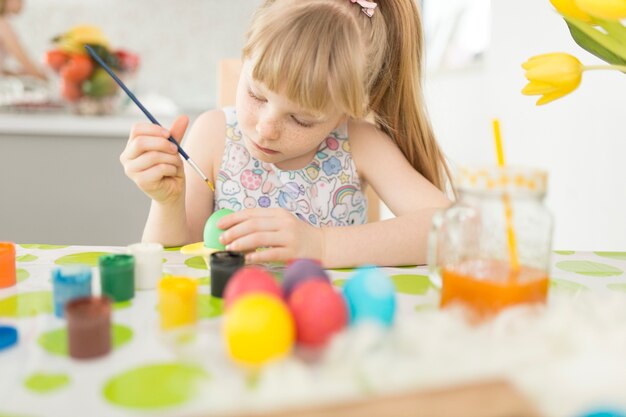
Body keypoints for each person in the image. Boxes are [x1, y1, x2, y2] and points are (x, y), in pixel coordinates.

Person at [120, 0, 452, 268]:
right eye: (256, 95)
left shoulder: (359, 144)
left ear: (346, 110)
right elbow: (170, 259)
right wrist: (167, 202)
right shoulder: (214, 135)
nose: (266, 128)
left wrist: (322, 246)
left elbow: (453, 229)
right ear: (246, 57)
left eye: (301, 119)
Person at [0, 0, 46, 79]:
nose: (23, 3)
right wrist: (42, 76)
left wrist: (12, 73)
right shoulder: (2, 24)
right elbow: (24, 61)